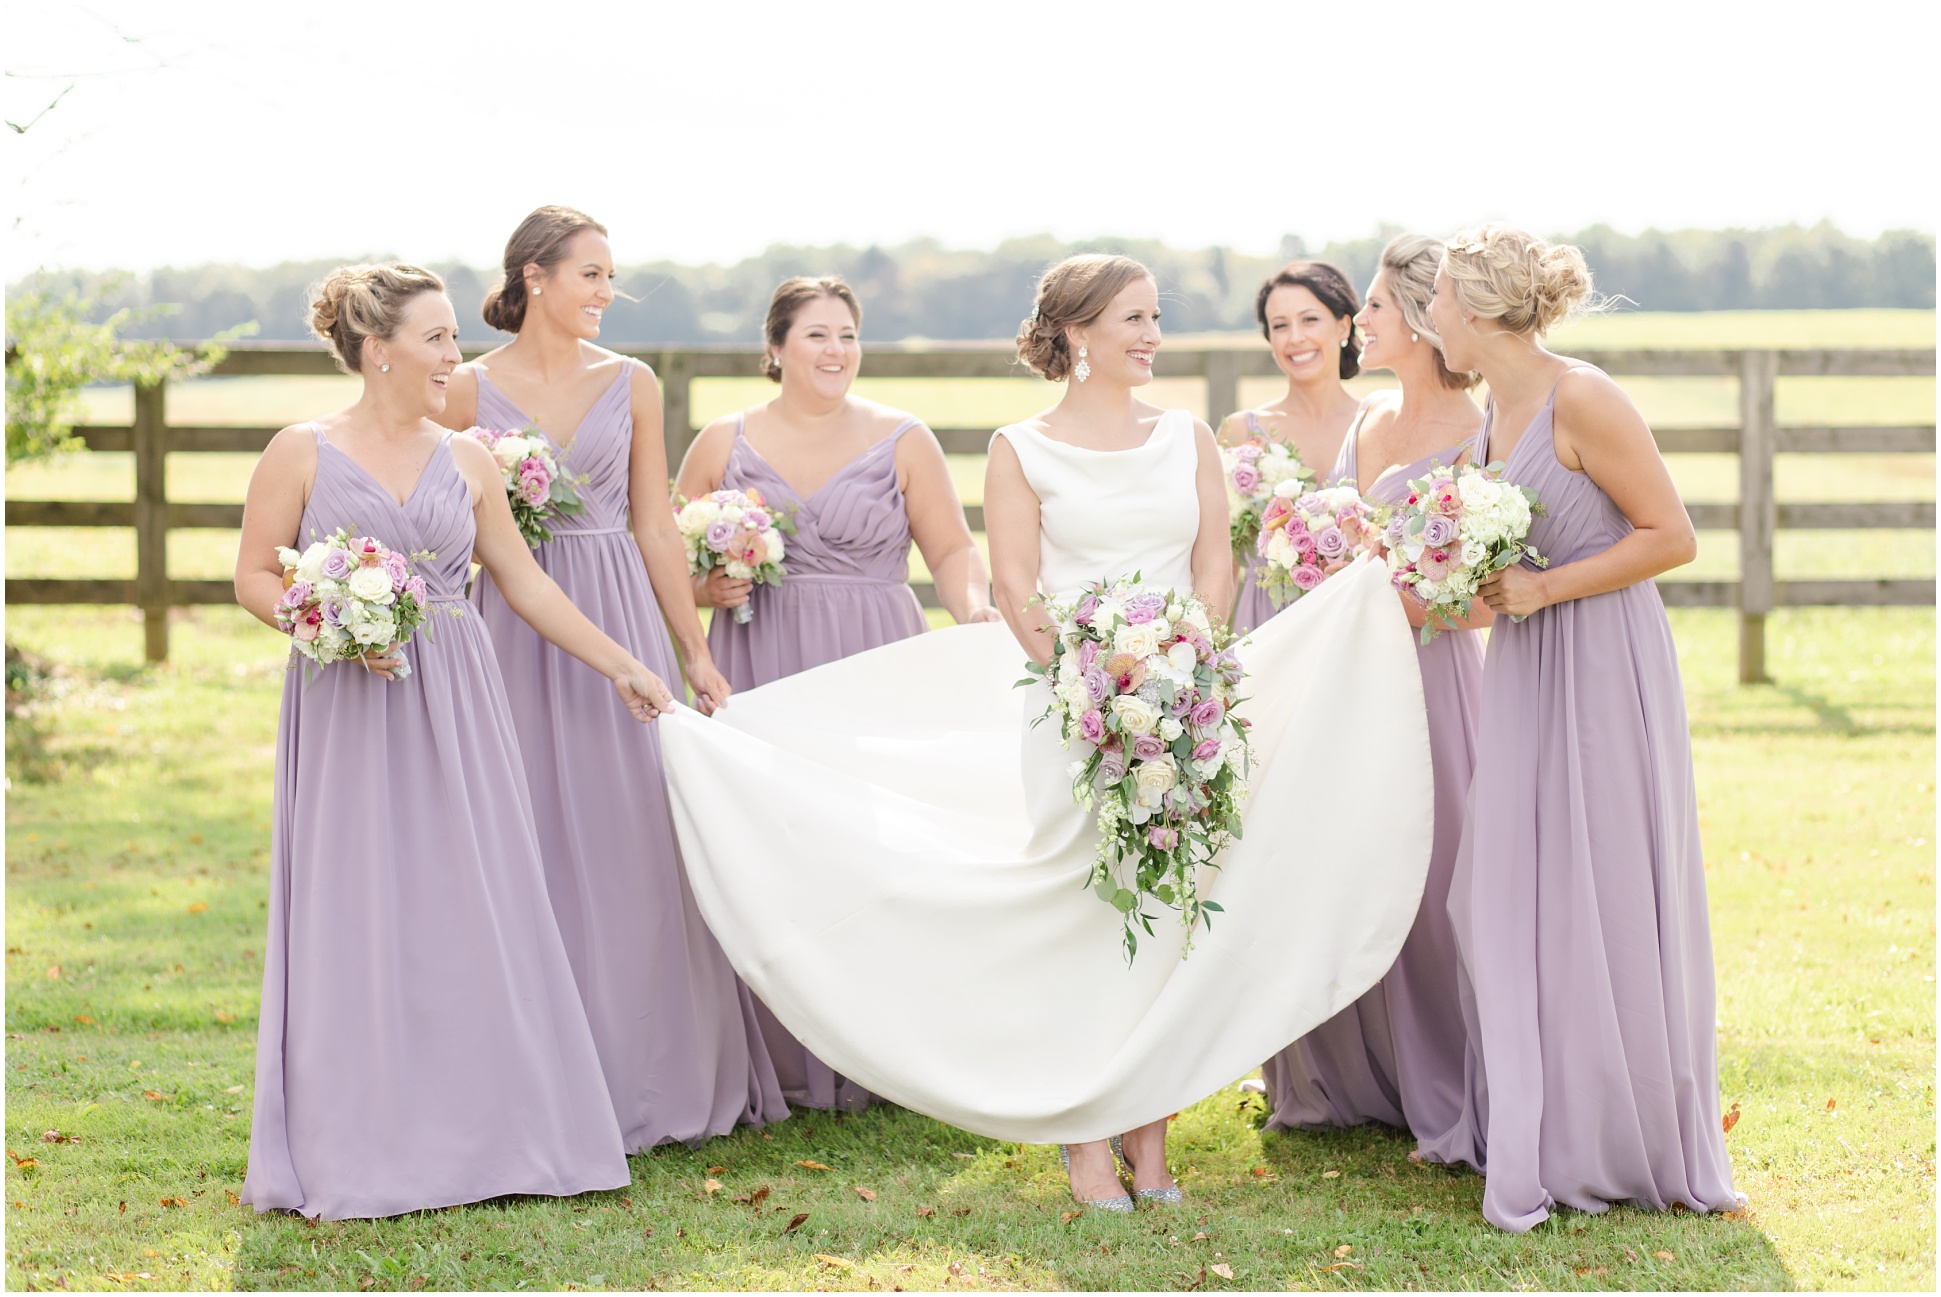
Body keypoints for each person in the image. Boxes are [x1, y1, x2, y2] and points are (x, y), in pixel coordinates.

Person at [655, 254, 1438, 1216]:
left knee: (1170, 909)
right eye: (1133, 320)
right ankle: (1083, 1147)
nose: (1151, 336)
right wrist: (1095, 682)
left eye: (1154, 318)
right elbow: (1017, 583)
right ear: (1076, 335)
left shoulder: (1188, 435)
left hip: (1185, 701)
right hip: (1073, 706)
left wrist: (1181, 667)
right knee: (1085, 912)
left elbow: (1213, 567)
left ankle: (1149, 1143)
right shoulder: (1017, 446)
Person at [234, 263, 676, 1218]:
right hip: (349, 699)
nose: (451, 356)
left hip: (459, 696)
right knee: (359, 899)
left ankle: (491, 1123)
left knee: (473, 893)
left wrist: (625, 663)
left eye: (449, 337)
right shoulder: (299, 451)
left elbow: (527, 584)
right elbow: (253, 578)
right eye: (434, 338)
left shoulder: (470, 456)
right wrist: (328, 626)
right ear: (375, 348)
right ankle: (360, 1127)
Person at [438, 206, 787, 1149]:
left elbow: (654, 523)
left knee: (631, 832)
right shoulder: (463, 391)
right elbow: (434, 515)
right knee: (529, 831)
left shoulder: (630, 382)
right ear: (534, 278)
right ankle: (536, 1073)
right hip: (510, 625)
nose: (605, 292)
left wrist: (693, 648)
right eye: (589, 273)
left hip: (617, 607)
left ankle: (645, 1074)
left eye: (608, 275)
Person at [1420, 224, 1742, 1231]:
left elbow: (1672, 535)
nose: (1428, 317)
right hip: (1526, 668)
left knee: (1598, 880)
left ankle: (1612, 1133)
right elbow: (1492, 581)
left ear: (1473, 309)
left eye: (1434, 301)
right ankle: (1539, 1119)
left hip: (1603, 663)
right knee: (1504, 891)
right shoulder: (1488, 413)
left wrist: (1547, 585)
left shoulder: (1583, 395)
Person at [674, 274, 999, 1111]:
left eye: (847, 334)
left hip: (874, 661)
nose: (836, 351)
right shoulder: (721, 440)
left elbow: (953, 549)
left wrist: (971, 605)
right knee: (772, 844)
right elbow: (669, 560)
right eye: (817, 334)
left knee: (879, 847)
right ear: (775, 347)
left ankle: (886, 1051)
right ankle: (780, 1050)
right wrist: (708, 591)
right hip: (765, 660)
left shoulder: (902, 438)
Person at [1257, 235, 1487, 1152]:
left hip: (1431, 673)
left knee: (1434, 867)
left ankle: (1447, 1060)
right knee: (1343, 857)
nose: (1366, 322)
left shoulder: (1484, 430)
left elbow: (1486, 586)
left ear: (1425, 321)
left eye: (1380, 309)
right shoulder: (1365, 427)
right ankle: (1355, 1068)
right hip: (1349, 673)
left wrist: (1405, 595)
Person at [1218, 261, 1366, 633]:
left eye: (1310, 320)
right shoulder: (1241, 432)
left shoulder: (1377, 424)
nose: (1295, 337)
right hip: (1266, 624)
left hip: (1354, 622)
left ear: (1344, 325)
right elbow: (1221, 560)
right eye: (1280, 326)